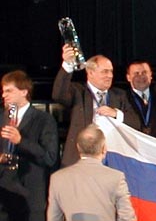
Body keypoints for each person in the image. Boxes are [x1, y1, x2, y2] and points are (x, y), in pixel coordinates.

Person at [52, 44, 130, 167]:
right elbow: (58, 94)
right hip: (79, 159)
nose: (109, 75)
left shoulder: (120, 96)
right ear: (90, 72)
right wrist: (67, 65)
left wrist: (116, 114)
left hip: (112, 160)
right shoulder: (77, 92)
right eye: (105, 71)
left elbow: (134, 123)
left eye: (111, 71)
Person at [0, 70, 59, 221]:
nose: (3, 95)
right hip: (4, 195)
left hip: (31, 196)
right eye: (3, 91)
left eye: (9, 91)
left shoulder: (44, 120)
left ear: (24, 92)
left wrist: (21, 141)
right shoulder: (1, 118)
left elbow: (49, 158)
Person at [47, 123, 137, 221]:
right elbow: (127, 217)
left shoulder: (57, 178)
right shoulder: (116, 177)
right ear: (104, 149)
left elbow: (53, 218)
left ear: (78, 147)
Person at [123, 60, 156, 140]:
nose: (141, 76)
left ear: (151, 75)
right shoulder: (121, 99)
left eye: (144, 72)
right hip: (132, 148)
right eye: (136, 73)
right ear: (128, 77)